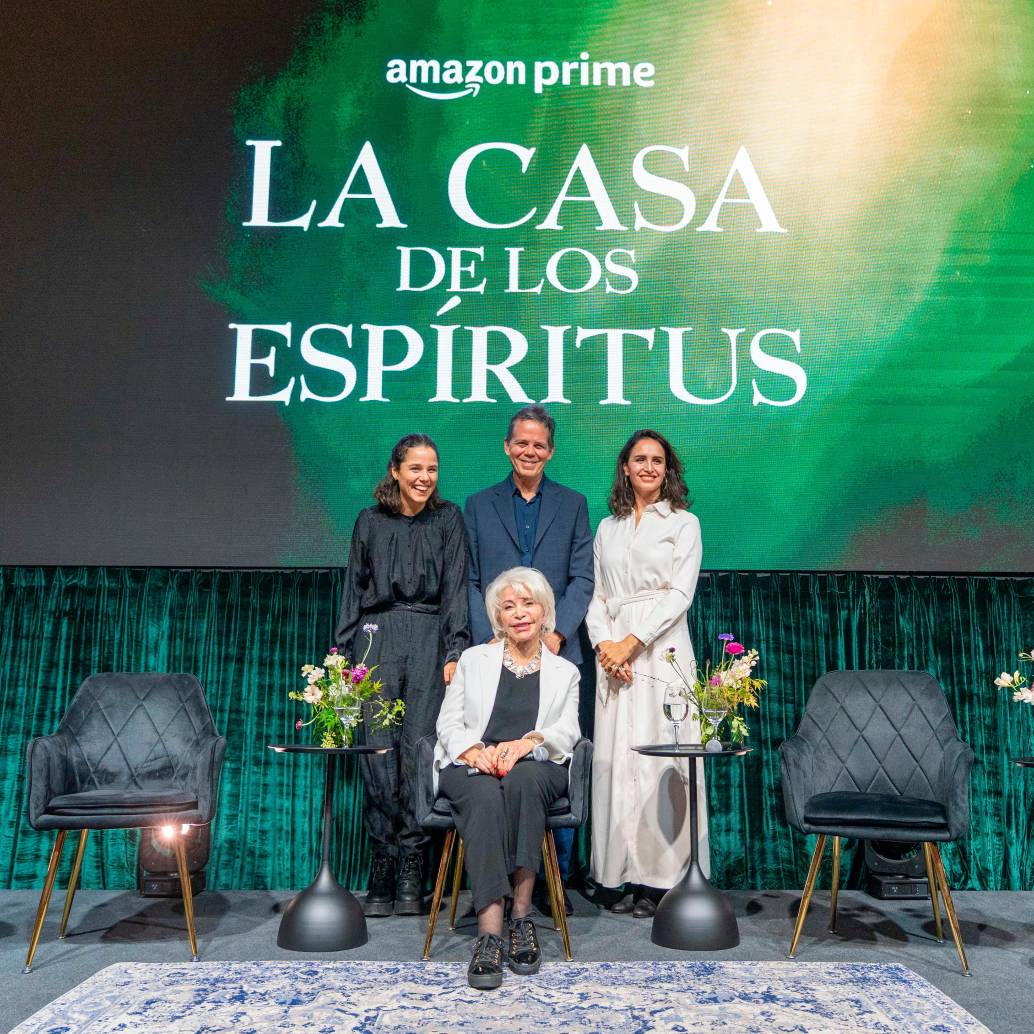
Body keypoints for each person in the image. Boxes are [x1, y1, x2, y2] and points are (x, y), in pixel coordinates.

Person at [464, 405, 593, 913]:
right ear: (507, 446)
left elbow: (582, 578)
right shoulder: (478, 505)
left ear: (551, 451)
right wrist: (489, 642)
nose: (529, 451)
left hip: (557, 651)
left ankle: (551, 879)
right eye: (521, 442)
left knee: (549, 759)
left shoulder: (573, 504)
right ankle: (497, 878)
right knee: (496, 764)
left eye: (539, 445)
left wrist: (556, 632)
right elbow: (472, 581)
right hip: (496, 653)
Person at [336, 433, 470, 916]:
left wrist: (456, 648)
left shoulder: (448, 518)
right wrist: (344, 657)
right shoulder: (369, 521)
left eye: (432, 469)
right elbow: (353, 590)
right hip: (378, 637)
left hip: (430, 637)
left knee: (419, 750)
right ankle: (383, 862)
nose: (424, 477)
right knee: (378, 753)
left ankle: (413, 863)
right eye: (415, 468)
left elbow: (456, 587)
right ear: (395, 470)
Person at [434, 568, 580, 989]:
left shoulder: (565, 672)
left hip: (535, 762)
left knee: (524, 782)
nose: (519, 614)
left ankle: (522, 915)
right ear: (497, 617)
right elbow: (448, 722)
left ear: (544, 611)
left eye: (528, 604)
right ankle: (490, 932)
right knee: (483, 796)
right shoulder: (473, 660)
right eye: (508, 607)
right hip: (473, 762)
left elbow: (568, 731)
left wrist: (526, 744)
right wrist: (473, 751)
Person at [586, 429, 707, 917]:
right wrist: (605, 646)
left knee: (663, 758)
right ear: (625, 467)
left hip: (662, 649)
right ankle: (616, 874)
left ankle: (660, 880)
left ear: (668, 469)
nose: (649, 467)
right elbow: (597, 595)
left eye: (658, 460)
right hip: (613, 656)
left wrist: (632, 643)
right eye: (640, 459)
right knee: (616, 760)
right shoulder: (607, 528)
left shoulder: (684, 523)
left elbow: (680, 594)